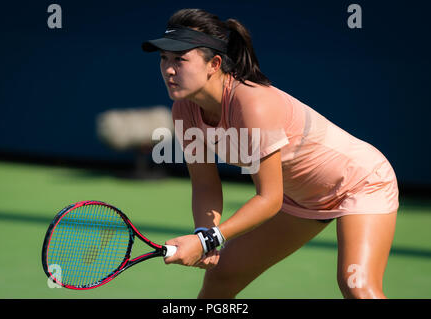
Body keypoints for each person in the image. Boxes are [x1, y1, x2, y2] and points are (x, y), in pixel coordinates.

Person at [141, 8, 399, 299]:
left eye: (180, 59)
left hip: (360, 181)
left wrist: (210, 239)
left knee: (357, 287)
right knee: (221, 277)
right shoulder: (184, 110)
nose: (169, 69)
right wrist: (205, 236)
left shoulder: (253, 104)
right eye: (163, 58)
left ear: (214, 64)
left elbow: (269, 198)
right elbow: (204, 183)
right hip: (301, 198)